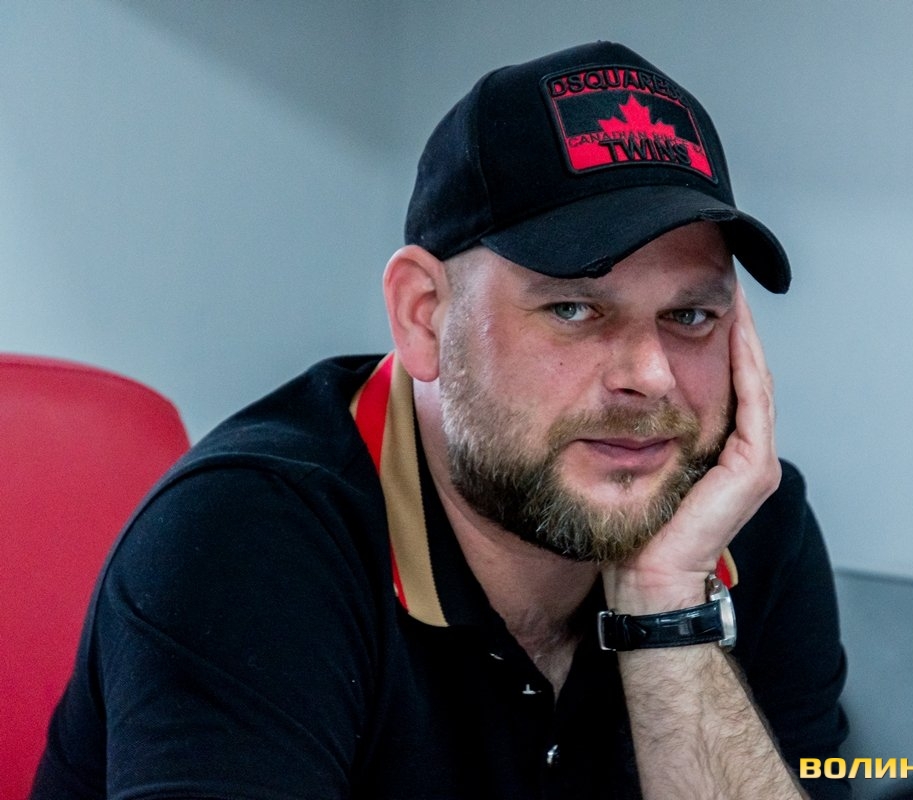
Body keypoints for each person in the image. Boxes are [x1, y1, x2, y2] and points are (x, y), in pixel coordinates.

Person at [33, 41, 848, 800]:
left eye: (691, 317)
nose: (650, 377)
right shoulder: (247, 538)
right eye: (573, 309)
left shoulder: (743, 522)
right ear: (424, 315)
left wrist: (666, 607)